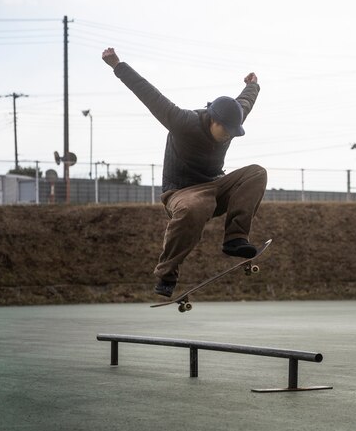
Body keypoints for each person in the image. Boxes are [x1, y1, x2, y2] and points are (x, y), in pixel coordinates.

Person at [102, 47, 267, 298]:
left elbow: (246, 101)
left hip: (215, 186)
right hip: (181, 193)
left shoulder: (233, 119)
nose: (228, 137)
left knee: (256, 173)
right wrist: (117, 65)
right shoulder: (182, 121)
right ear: (214, 120)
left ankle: (235, 239)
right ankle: (167, 274)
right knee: (194, 207)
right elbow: (148, 93)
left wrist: (253, 85)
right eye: (226, 132)